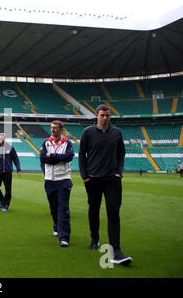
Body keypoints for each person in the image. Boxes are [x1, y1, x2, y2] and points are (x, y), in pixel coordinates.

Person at [79, 104, 132, 265]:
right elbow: (82, 154)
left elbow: (121, 153)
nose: (105, 118)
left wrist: (119, 172)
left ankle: (116, 250)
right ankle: (94, 238)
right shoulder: (87, 132)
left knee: (113, 212)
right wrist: (85, 176)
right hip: (93, 179)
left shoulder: (117, 133)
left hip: (112, 179)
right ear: (96, 116)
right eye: (102, 115)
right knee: (93, 210)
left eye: (107, 115)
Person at [40, 120, 74, 247]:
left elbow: (69, 157)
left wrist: (52, 156)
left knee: (63, 209)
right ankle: (56, 226)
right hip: (49, 180)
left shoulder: (67, 143)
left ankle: (64, 236)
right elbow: (43, 158)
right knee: (53, 208)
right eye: (51, 127)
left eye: (55, 128)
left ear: (61, 129)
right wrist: (58, 157)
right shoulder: (46, 142)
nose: (52, 129)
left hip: (64, 180)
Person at [0, 133, 21, 212]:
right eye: (0, 138)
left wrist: (18, 169)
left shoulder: (10, 147)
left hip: (7, 172)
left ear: (5, 138)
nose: (1, 140)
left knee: (8, 190)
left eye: (2, 138)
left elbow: (15, 158)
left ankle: (6, 205)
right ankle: (1, 199)